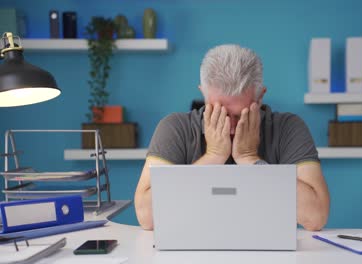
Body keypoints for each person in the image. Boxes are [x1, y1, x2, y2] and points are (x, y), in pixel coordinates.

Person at [135, 44, 330, 231]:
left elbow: (316, 217)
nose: (230, 126)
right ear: (203, 94)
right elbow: (147, 217)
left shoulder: (289, 128)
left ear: (260, 97)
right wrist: (213, 157)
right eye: (219, 112)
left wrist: (250, 159)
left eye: (240, 115)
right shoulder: (174, 128)